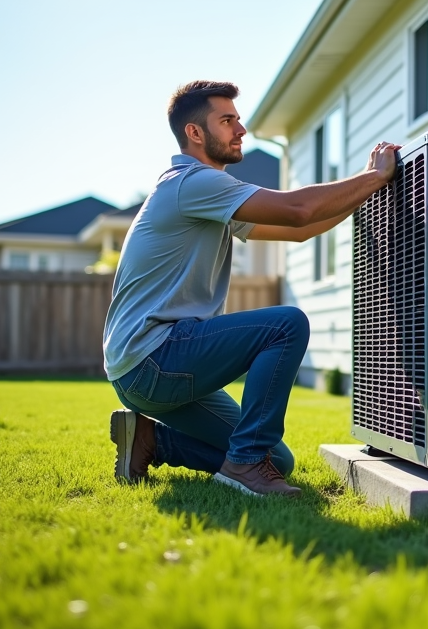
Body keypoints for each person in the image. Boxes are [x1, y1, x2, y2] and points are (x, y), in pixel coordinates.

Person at [104, 80, 399, 497]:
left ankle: (152, 441)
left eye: (238, 120)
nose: (240, 130)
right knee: (285, 324)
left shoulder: (206, 195)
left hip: (143, 368)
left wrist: (369, 188)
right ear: (194, 133)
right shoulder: (193, 183)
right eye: (227, 121)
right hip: (155, 357)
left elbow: (301, 230)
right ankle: (242, 467)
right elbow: (298, 210)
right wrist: (373, 175)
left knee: (275, 460)